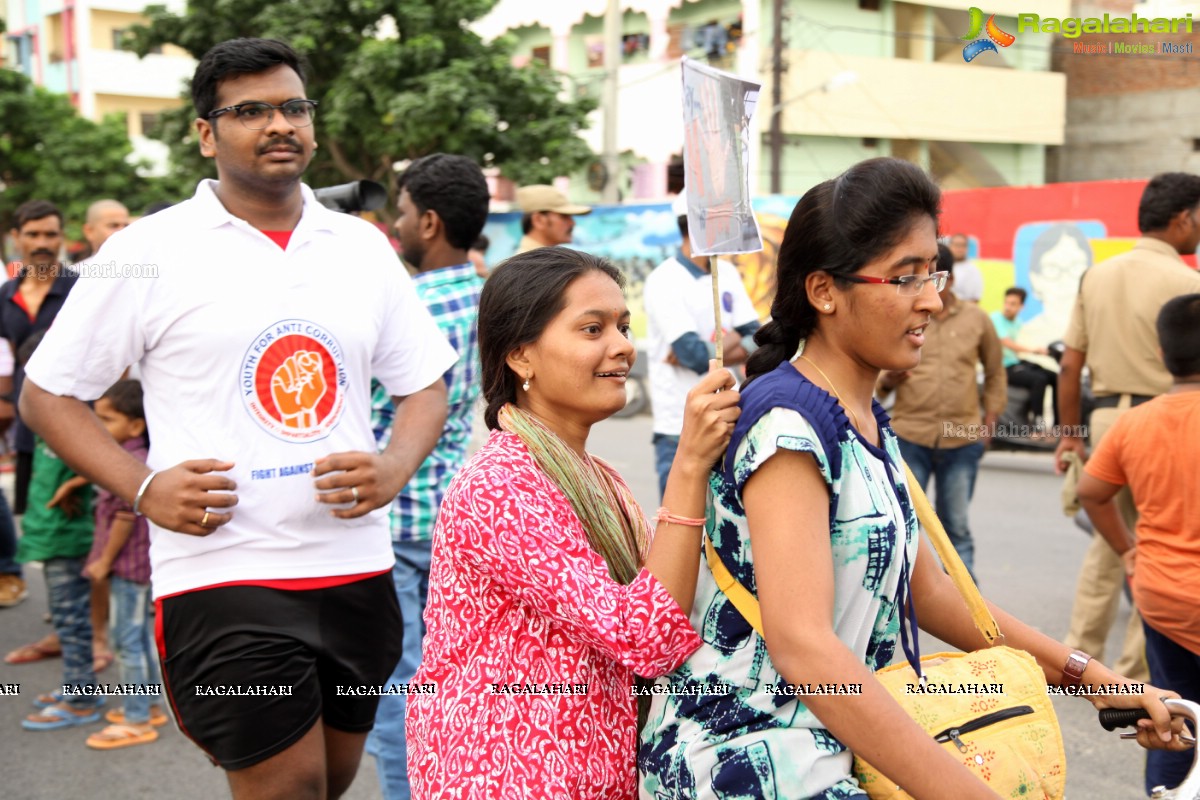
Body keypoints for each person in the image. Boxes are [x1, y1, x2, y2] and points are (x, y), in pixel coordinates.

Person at [638, 157, 1186, 800]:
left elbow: (934, 592)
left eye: (933, 272)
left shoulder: (862, 414)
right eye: (904, 278)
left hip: (829, 753)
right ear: (823, 291)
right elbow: (804, 648)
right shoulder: (788, 423)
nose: (932, 297)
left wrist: (1096, 679)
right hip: (747, 758)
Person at [19, 38, 456, 800]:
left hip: (357, 570)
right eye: (249, 111)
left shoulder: (361, 246)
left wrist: (393, 466)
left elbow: (424, 382)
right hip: (225, 577)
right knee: (288, 788)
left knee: (333, 782)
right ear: (205, 133)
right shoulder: (143, 251)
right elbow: (46, 394)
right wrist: (145, 486)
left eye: (292, 107)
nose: (278, 124)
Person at [406, 247, 740, 798]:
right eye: (592, 329)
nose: (623, 346)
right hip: (506, 776)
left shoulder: (596, 477)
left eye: (624, 325)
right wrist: (688, 466)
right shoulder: (501, 485)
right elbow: (647, 638)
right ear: (521, 357)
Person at [364, 153, 490, 800]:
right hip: (455, 510)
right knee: (457, 688)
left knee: (397, 695)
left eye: (405, 214)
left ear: (431, 222)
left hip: (394, 517)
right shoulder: (492, 297)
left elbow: (365, 409)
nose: (399, 225)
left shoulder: (406, 306)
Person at [1055, 172, 1200, 684]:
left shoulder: (1098, 275)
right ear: (1183, 219)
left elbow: (1071, 365)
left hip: (1109, 420)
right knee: (1161, 544)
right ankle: (1134, 676)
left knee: (1108, 547)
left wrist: (1069, 433)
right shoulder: (1190, 285)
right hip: (1172, 422)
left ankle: (1078, 658)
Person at [1077, 293, 1200, 796]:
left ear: (1159, 352)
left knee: (1172, 718)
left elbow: (1091, 492)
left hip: (1164, 597)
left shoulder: (1135, 422)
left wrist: (1127, 547)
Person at [878, 243, 1006, 579]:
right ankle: (902, 601)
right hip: (910, 435)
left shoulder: (978, 320)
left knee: (956, 528)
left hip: (962, 438)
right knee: (905, 524)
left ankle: (970, 614)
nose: (925, 287)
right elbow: (878, 381)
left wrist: (988, 424)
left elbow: (995, 372)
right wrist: (889, 380)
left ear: (947, 279)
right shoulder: (903, 316)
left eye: (933, 277)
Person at [644, 190, 760, 497]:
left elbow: (758, 336)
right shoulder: (665, 280)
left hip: (728, 417)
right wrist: (736, 338)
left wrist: (726, 343)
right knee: (682, 526)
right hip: (678, 427)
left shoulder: (728, 273)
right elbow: (694, 356)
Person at [14, 331, 100, 731]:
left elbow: (103, 460)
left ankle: (82, 696)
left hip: (66, 538)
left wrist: (75, 483)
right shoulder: (46, 419)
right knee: (67, 620)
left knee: (71, 619)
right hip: (49, 537)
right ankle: (75, 687)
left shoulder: (74, 418)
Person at [80, 379, 165, 749]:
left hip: (127, 569)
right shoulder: (140, 457)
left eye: (108, 420)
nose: (99, 428)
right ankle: (150, 703)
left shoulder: (124, 464)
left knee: (127, 641)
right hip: (140, 567)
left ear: (135, 425)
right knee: (140, 638)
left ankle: (136, 717)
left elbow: (124, 519)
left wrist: (102, 563)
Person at [991, 286, 1057, 427]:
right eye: (1007, 303)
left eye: (1013, 304)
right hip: (1002, 368)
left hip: (1014, 362)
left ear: (1022, 307)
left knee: (1054, 376)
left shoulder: (1017, 323)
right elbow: (1007, 343)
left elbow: (1018, 347)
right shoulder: (996, 318)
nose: (1008, 307)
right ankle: (1037, 425)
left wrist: (1042, 351)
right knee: (1039, 379)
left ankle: (1059, 424)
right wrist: (1033, 350)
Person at [514, 185, 591, 253]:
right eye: (564, 216)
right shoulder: (531, 265)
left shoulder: (545, 260)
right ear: (538, 220)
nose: (573, 223)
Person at [947, 233, 984, 303]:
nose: (959, 249)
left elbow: (975, 298)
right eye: (956, 245)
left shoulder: (973, 271)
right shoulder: (942, 266)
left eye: (962, 245)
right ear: (950, 246)